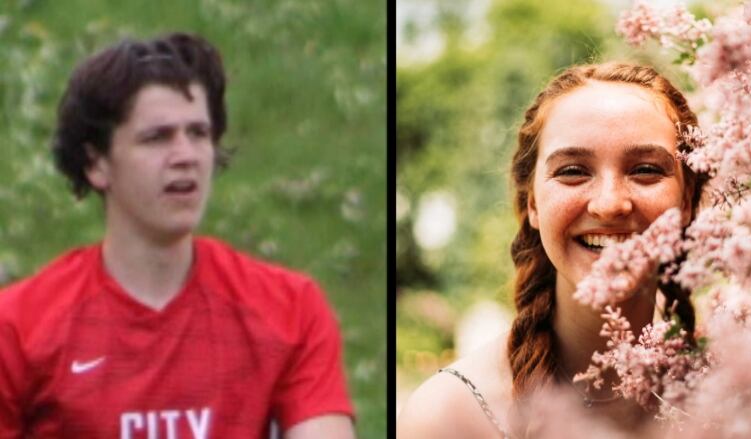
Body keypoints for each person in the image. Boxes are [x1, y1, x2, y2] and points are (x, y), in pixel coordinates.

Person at [0, 32, 355, 439]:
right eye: (157, 137)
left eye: (199, 133)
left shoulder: (289, 310)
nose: (186, 156)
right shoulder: (19, 328)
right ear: (96, 163)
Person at [397, 62, 708, 438]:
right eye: (573, 170)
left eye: (644, 169)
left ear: (687, 198)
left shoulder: (745, 395)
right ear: (532, 205)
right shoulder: (448, 417)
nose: (609, 204)